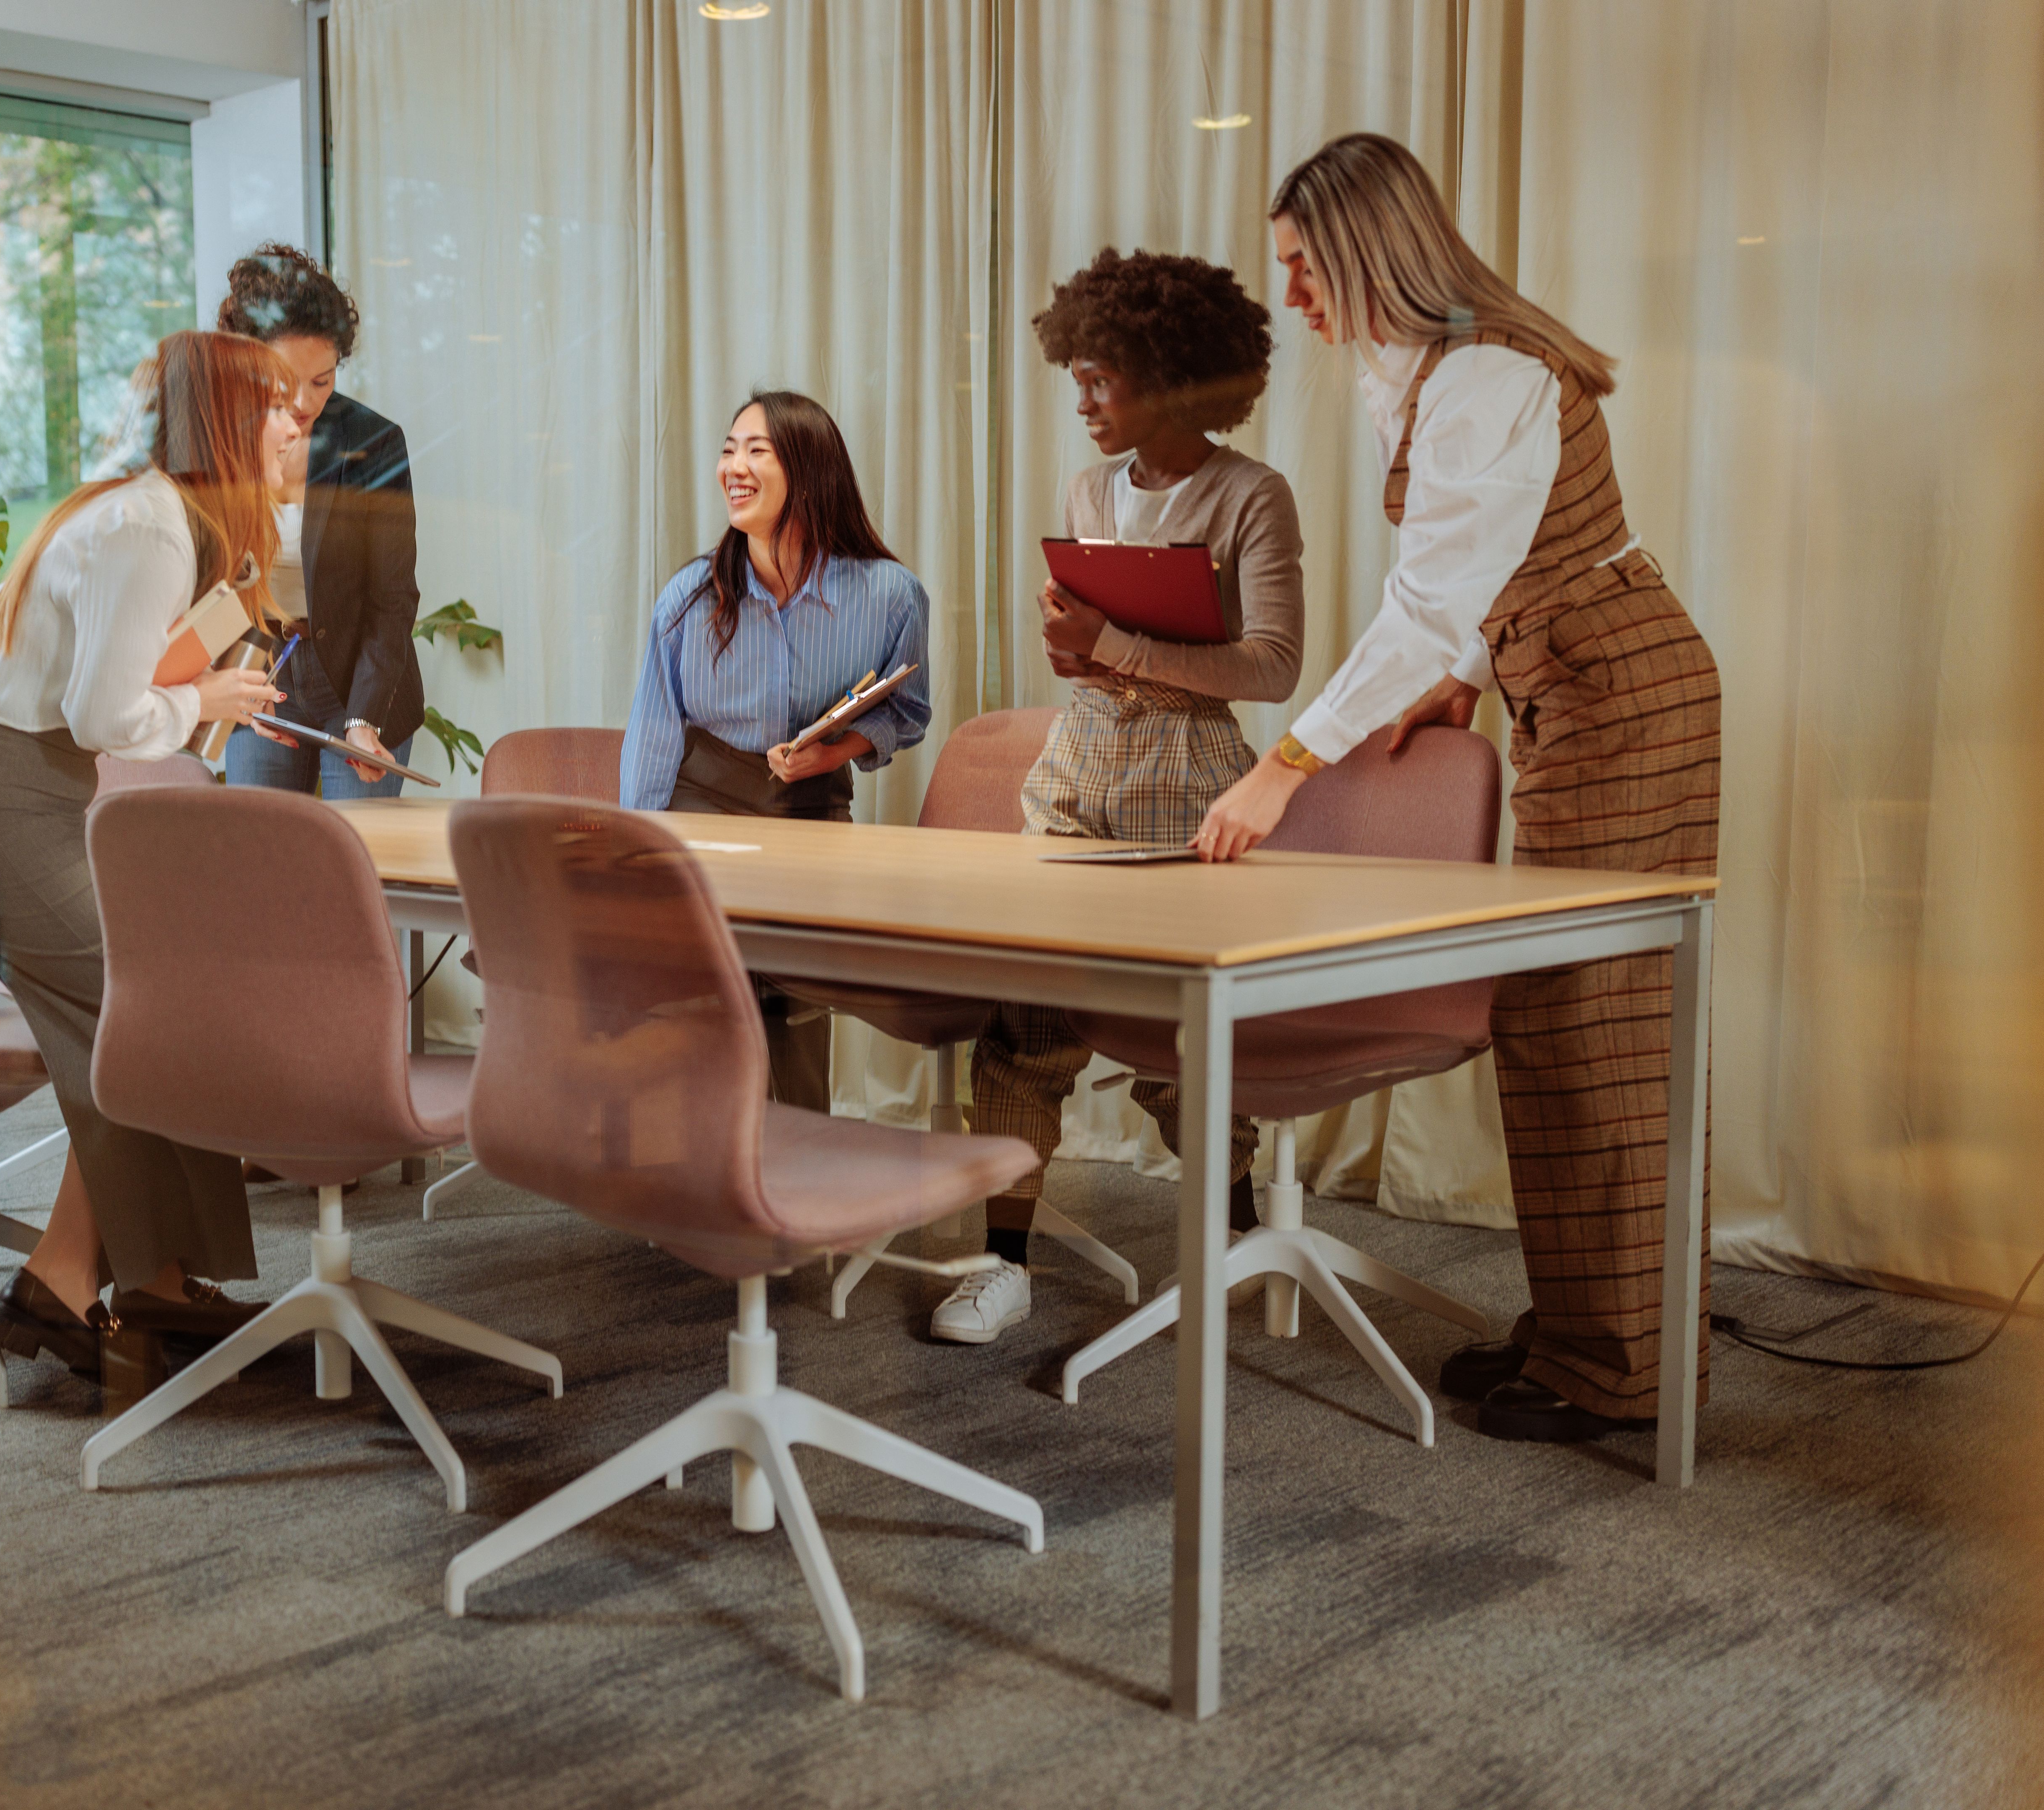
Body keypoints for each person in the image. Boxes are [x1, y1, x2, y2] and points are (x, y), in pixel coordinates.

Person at [1195, 132, 1721, 1444]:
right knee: (1561, 1016)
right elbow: (1486, 584)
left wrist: (1285, 762)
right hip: (1575, 683)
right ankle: (1588, 1332)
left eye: (1307, 268)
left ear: (1371, 252)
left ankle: (1618, 1371)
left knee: (1588, 1020)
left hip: (1620, 701)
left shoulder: (1482, 377)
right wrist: (1471, 678)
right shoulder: (1430, 368)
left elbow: (1428, 604)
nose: (1295, 298)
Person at [0, 330, 303, 1378]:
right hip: (1, 797)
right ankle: (67, 1288)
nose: (297, 425)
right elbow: (99, 714)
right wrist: (202, 700)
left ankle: (147, 1286)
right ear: (221, 419)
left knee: (138, 1017)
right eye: (278, 408)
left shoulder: (124, 511)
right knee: (149, 1016)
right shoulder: (152, 530)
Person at [932, 250, 1305, 1345]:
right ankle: (1001, 1261)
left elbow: (1273, 668)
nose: (1084, 402)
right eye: (1078, 379)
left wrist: (1120, 646)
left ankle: (1232, 1235)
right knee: (1022, 1024)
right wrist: (1090, 657)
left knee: (1188, 1036)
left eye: (1103, 380)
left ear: (1176, 376)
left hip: (1187, 782)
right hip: (1076, 773)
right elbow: (1101, 656)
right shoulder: (1088, 491)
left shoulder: (1250, 495)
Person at [619, 390, 932, 1110]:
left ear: (811, 470)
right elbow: (654, 740)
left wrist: (835, 752)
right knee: (700, 1008)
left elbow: (908, 712)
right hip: (699, 815)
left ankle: (793, 1189)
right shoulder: (690, 598)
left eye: (757, 451)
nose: (734, 466)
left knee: (789, 1009)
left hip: (810, 816)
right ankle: (696, 1191)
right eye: (729, 449)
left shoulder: (891, 596)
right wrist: (638, 859)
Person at [215, 242, 423, 795]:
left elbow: (392, 596)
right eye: (284, 379)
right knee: (259, 855)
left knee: (353, 860)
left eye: (323, 380)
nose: (305, 403)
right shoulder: (219, 444)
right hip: (264, 670)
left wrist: (365, 720)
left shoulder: (373, 443)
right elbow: (209, 586)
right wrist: (236, 683)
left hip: (359, 683)